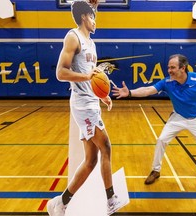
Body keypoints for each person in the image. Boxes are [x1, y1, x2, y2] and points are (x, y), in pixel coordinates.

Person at [47, 1, 121, 215]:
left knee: (91, 159)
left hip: (92, 101)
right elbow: (60, 73)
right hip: (82, 104)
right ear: (83, 17)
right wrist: (86, 76)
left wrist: (103, 94)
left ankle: (60, 203)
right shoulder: (73, 37)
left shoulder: (91, 43)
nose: (95, 21)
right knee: (106, 147)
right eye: (92, 16)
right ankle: (110, 200)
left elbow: (92, 75)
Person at [112, 54, 196, 185]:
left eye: (173, 67)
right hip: (178, 117)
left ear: (183, 68)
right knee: (161, 140)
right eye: (168, 67)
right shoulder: (167, 82)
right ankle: (155, 170)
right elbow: (148, 90)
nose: (169, 70)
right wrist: (130, 93)